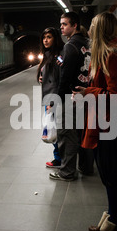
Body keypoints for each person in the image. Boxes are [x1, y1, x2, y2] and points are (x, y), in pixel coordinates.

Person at [75, 12, 117, 231]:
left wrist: (87, 92)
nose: (89, 30)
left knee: (111, 176)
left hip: (113, 125)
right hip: (107, 121)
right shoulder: (108, 54)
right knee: (108, 175)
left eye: (92, 26)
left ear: (100, 30)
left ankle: (115, 228)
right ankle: (112, 217)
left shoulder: (113, 56)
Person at [49, 11, 93, 181]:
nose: (61, 27)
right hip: (86, 93)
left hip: (71, 96)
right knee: (84, 132)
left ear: (74, 25)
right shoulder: (88, 43)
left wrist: (57, 99)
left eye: (65, 24)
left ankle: (67, 172)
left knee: (68, 134)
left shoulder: (70, 46)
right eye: (60, 24)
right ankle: (86, 167)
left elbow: (64, 76)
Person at [37, 27, 65, 168]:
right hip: (50, 97)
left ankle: (59, 159)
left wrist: (52, 102)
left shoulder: (57, 56)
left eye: (49, 37)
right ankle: (59, 157)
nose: (46, 40)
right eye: (44, 37)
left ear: (55, 38)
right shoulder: (49, 54)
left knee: (55, 129)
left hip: (53, 99)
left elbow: (58, 80)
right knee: (54, 128)